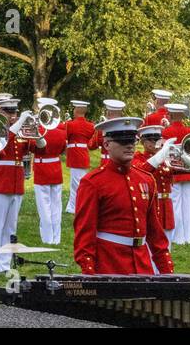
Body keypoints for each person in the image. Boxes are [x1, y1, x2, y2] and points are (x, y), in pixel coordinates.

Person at [72, 117, 173, 276]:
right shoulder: (93, 183)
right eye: (122, 141)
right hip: (110, 264)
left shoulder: (146, 179)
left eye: (132, 141)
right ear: (106, 145)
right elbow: (85, 233)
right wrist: (89, 272)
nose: (129, 145)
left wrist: (167, 272)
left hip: (142, 264)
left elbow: (155, 234)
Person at [0, 95, 37, 272]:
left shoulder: (19, 130)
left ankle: (5, 262)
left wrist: (37, 134)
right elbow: (5, 140)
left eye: (14, 112)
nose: (12, 115)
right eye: (8, 112)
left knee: (10, 226)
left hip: (16, 181)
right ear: (0, 111)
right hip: (2, 179)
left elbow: (38, 148)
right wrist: (21, 120)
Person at [161, 103, 190, 245]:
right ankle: (188, 237)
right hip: (189, 172)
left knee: (175, 205)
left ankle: (178, 237)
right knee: (188, 205)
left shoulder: (166, 132)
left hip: (174, 173)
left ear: (170, 115)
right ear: (182, 116)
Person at [30, 98, 67, 245]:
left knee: (44, 206)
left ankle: (47, 237)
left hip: (41, 170)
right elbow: (63, 151)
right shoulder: (61, 132)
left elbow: (32, 148)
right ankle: (56, 238)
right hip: (56, 169)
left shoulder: (37, 131)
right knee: (56, 206)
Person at [133, 124, 177, 237]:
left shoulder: (165, 159)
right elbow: (143, 171)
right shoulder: (138, 158)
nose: (157, 144)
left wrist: (186, 158)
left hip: (166, 206)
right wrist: (160, 156)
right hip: (151, 204)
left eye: (158, 140)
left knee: (167, 242)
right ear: (144, 142)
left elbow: (183, 171)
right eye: (153, 140)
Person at [63, 99, 94, 213]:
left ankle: (75, 206)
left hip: (75, 156)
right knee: (78, 182)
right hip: (84, 154)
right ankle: (73, 206)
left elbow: (65, 136)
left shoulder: (70, 124)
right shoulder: (90, 125)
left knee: (76, 184)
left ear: (76, 110)